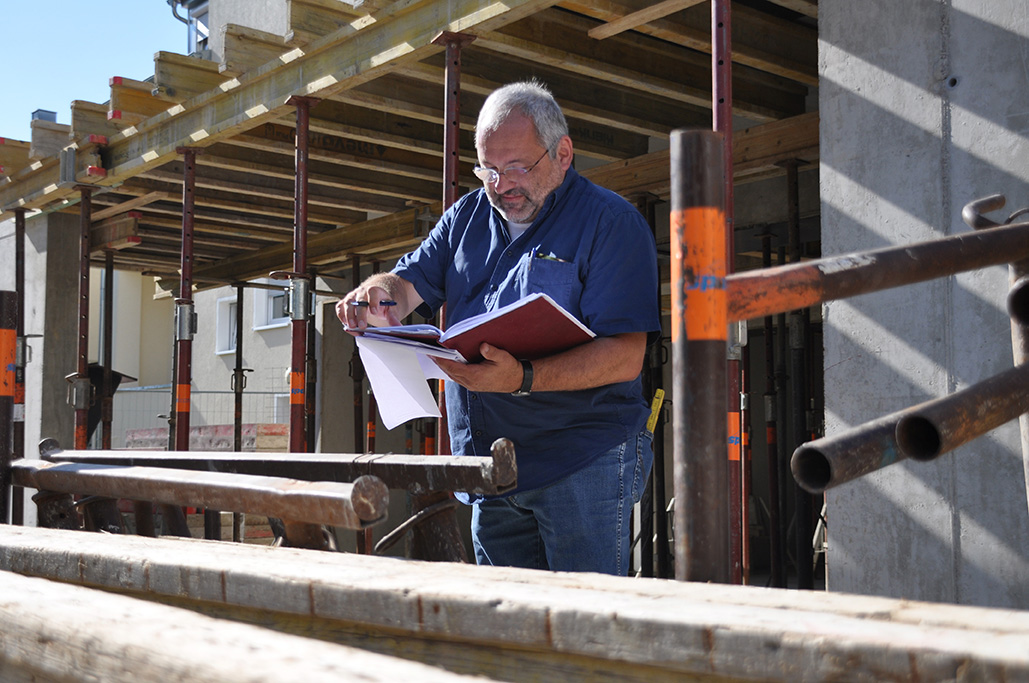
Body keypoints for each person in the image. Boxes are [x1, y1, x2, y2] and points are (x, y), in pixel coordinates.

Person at [336, 80, 660, 576]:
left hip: (583, 460)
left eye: (516, 168)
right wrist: (377, 294)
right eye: (488, 169)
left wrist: (522, 377)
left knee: (584, 627)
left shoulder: (611, 224)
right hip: (492, 471)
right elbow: (405, 283)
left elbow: (624, 356)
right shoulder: (465, 216)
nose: (500, 185)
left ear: (563, 153)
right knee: (507, 623)